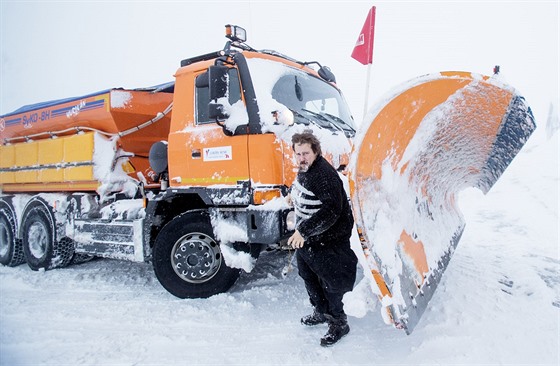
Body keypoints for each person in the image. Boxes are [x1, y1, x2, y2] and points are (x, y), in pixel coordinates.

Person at [287, 131, 358, 347]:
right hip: (309, 239)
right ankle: (320, 311)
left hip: (328, 240)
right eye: (298, 153)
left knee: (331, 282)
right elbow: (302, 185)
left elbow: (331, 211)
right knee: (308, 276)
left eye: (306, 153)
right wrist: (292, 196)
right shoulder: (306, 169)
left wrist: (304, 231)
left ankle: (338, 322)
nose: (301, 158)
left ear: (316, 151)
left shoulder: (324, 175)